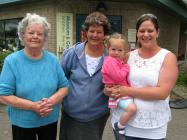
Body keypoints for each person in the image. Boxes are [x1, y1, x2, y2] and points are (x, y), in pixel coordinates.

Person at [104, 13, 178, 140]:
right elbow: (114, 79)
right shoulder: (128, 56)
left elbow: (162, 93)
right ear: (137, 33)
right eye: (142, 31)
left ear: (157, 32)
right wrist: (107, 90)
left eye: (150, 30)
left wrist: (127, 91)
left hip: (153, 128)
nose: (146, 34)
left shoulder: (167, 57)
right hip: (124, 126)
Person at [0, 13, 69, 140]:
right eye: (31, 32)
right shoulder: (12, 61)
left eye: (40, 33)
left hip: (49, 120)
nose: (35, 36)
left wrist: (50, 102)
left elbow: (64, 87)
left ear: (45, 37)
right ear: (23, 35)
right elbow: (3, 96)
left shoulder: (52, 59)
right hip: (23, 123)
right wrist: (33, 106)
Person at [59, 11, 111, 140]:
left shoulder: (110, 57)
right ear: (86, 32)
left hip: (96, 117)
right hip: (70, 115)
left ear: (104, 34)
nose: (95, 35)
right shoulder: (71, 53)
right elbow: (61, 80)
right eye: (92, 31)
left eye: (99, 32)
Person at [101, 33, 137, 136]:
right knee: (132, 109)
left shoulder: (116, 61)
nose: (116, 52)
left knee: (132, 107)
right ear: (108, 49)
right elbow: (118, 77)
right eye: (113, 49)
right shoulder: (110, 61)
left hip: (120, 91)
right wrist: (126, 67)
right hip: (117, 92)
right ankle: (120, 126)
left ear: (124, 51)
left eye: (120, 50)